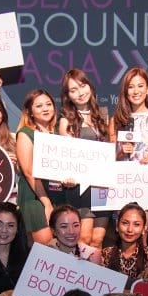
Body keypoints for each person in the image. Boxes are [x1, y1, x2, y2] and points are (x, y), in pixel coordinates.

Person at [58, 68, 110, 248]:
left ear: (89, 86)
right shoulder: (66, 121)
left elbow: (110, 149)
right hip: (80, 188)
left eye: (82, 86)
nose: (80, 93)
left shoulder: (104, 114)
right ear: (68, 96)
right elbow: (68, 156)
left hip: (102, 187)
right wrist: (67, 176)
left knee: (98, 240)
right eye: (73, 90)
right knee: (84, 239)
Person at [15, 89, 60, 243]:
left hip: (57, 195)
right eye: (39, 106)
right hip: (35, 197)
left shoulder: (58, 133)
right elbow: (29, 172)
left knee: (62, 245)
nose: (45, 109)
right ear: (30, 112)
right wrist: (46, 203)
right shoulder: (25, 133)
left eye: (48, 104)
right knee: (47, 245)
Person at [109, 67, 148, 162]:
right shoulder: (116, 120)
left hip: (147, 170)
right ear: (125, 91)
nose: (136, 91)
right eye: (131, 87)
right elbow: (109, 158)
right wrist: (121, 153)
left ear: (147, 89)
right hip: (122, 171)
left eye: (140, 86)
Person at [101, 202, 148, 285]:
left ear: (143, 229)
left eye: (136, 224)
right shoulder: (106, 254)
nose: (130, 229)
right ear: (117, 225)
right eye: (125, 223)